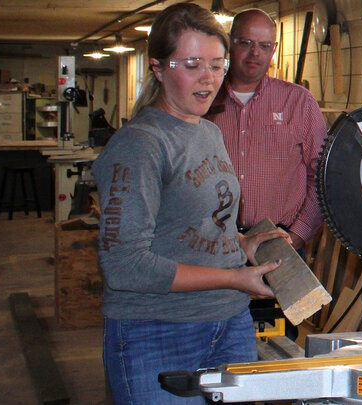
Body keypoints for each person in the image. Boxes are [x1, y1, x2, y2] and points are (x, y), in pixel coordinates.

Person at [92, 4, 289, 403]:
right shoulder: (140, 145)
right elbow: (125, 266)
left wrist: (242, 244)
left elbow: (198, 229)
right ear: (158, 68)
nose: (209, 79)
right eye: (193, 64)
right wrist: (234, 278)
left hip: (228, 323)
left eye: (217, 65)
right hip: (157, 330)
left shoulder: (207, 133)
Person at [204, 9, 328, 250]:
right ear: (230, 42)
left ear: (274, 48)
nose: (255, 52)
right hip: (215, 242)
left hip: (279, 241)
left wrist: (298, 236)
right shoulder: (204, 99)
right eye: (246, 43)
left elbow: (322, 176)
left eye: (264, 45)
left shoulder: (298, 102)